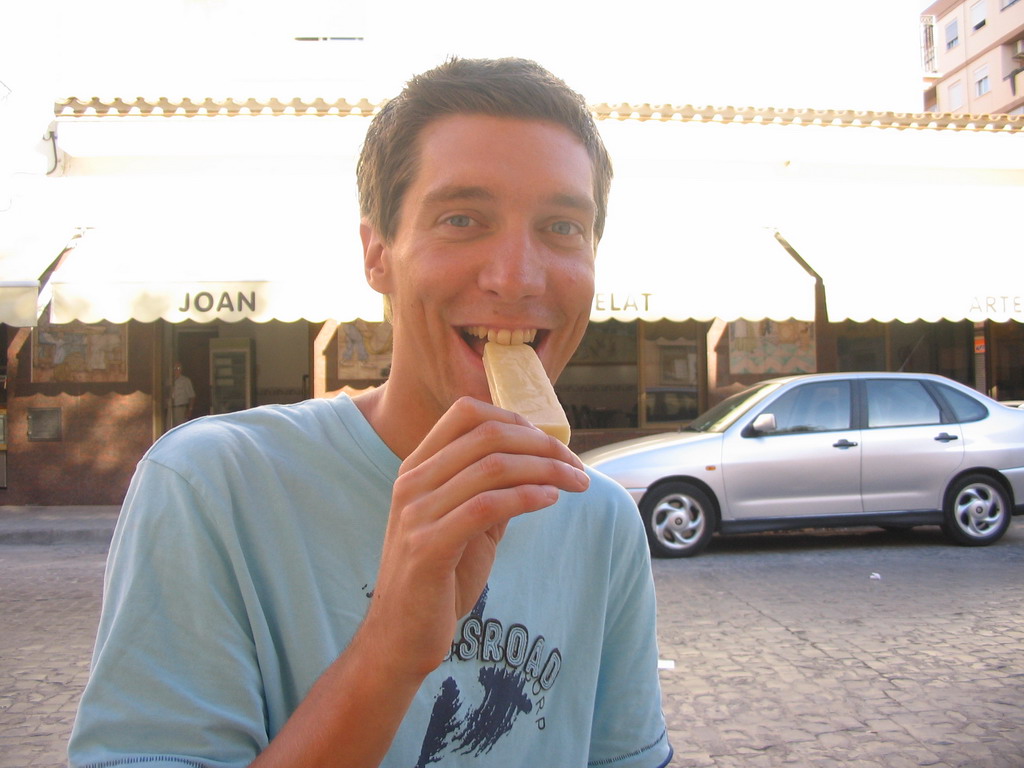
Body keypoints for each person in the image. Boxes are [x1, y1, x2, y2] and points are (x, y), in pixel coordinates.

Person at [69, 57, 673, 768]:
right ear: (378, 253)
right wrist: (390, 647)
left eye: (563, 227)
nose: (516, 275)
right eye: (462, 219)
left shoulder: (600, 519)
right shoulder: (213, 487)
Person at [169, 361, 196, 426]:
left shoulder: (185, 381)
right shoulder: (168, 380)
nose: (176, 370)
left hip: (181, 409)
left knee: (181, 429)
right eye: (174, 368)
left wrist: (189, 410)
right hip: (170, 410)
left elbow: (192, 396)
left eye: (178, 368)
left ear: (181, 369)